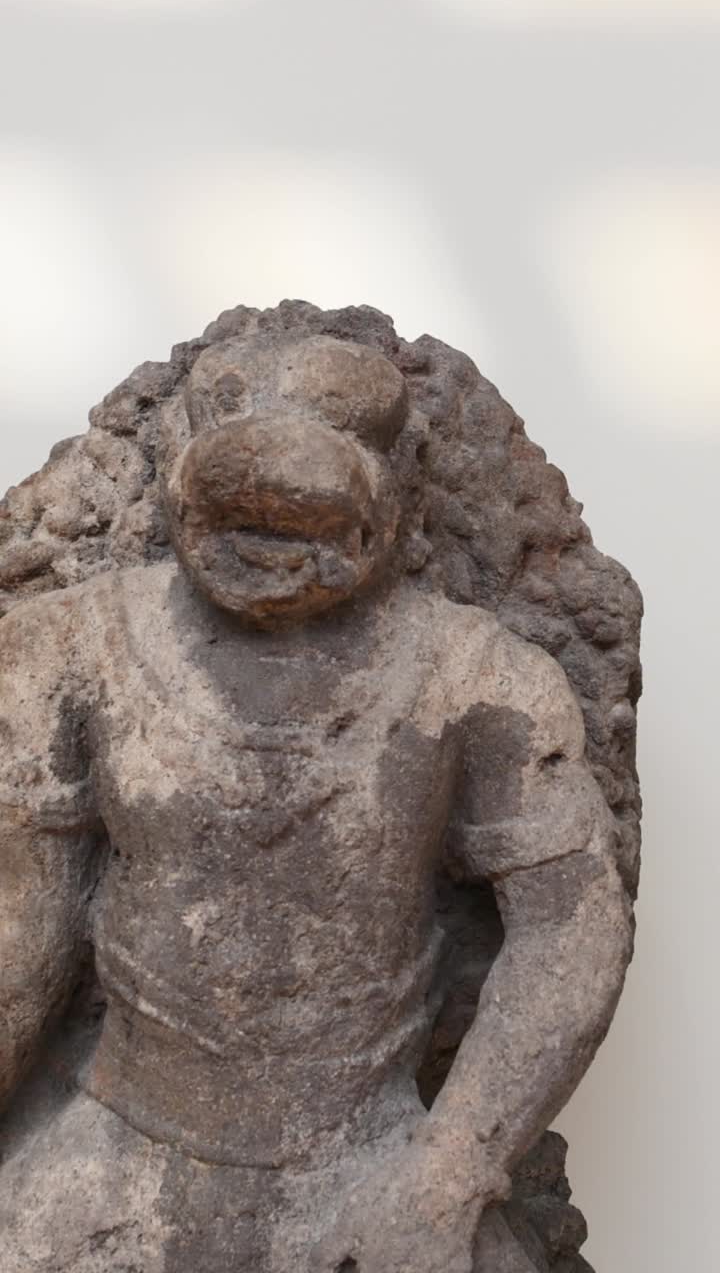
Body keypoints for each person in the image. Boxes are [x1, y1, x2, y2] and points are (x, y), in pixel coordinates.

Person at [0, 332, 632, 1272]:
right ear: (172, 456)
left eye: (304, 532)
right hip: (119, 1148)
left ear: (401, 486)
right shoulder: (72, 651)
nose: (268, 561)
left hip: (367, 1159)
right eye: (240, 527)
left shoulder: (475, 676)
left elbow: (569, 929)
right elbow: (27, 931)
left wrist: (450, 1168)